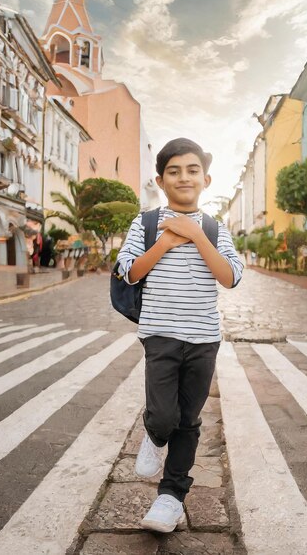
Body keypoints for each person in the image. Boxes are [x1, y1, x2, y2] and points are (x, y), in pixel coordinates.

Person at [116, 137, 243, 533]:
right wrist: (169, 240)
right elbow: (130, 271)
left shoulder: (215, 228)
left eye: (191, 170)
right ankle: (154, 434)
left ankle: (170, 498)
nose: (183, 177)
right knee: (165, 415)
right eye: (174, 171)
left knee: (189, 420)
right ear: (160, 180)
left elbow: (230, 277)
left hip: (204, 338)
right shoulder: (147, 223)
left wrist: (197, 235)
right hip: (161, 335)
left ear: (205, 179)